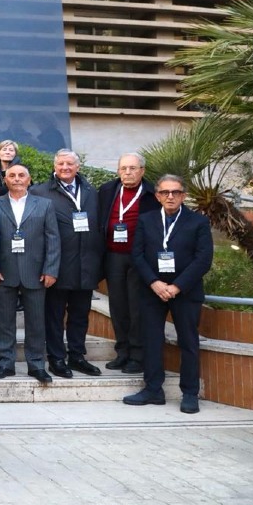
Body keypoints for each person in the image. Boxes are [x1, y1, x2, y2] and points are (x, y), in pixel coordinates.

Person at [124, 175, 213, 414]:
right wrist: (154, 283)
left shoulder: (198, 222)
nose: (170, 196)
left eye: (175, 192)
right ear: (158, 196)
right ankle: (153, 389)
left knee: (188, 342)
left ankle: (190, 393)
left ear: (183, 195)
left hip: (185, 291)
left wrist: (177, 286)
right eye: (165, 192)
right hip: (153, 290)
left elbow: (203, 259)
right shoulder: (146, 220)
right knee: (152, 341)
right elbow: (137, 255)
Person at [33, 149, 105, 377]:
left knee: (80, 315)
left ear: (78, 167)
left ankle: (77, 356)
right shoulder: (40, 192)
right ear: (54, 166)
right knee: (54, 316)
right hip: (57, 267)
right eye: (61, 163)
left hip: (86, 266)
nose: (65, 167)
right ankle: (56, 358)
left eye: (70, 164)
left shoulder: (92, 192)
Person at [0, 163, 60, 384]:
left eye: (21, 175)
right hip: (3, 271)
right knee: (3, 321)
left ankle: (36, 364)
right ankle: (5, 363)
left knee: (37, 321)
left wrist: (50, 270)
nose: (17, 179)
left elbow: (53, 239)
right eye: (12, 175)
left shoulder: (45, 205)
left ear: (29, 180)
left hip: (36, 272)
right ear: (5, 180)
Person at [99, 152, 159, 374]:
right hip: (113, 256)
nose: (128, 172)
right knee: (118, 306)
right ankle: (122, 352)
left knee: (137, 307)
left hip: (140, 258)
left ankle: (137, 355)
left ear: (142, 171)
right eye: (123, 168)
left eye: (133, 168)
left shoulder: (153, 194)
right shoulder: (107, 190)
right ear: (118, 171)